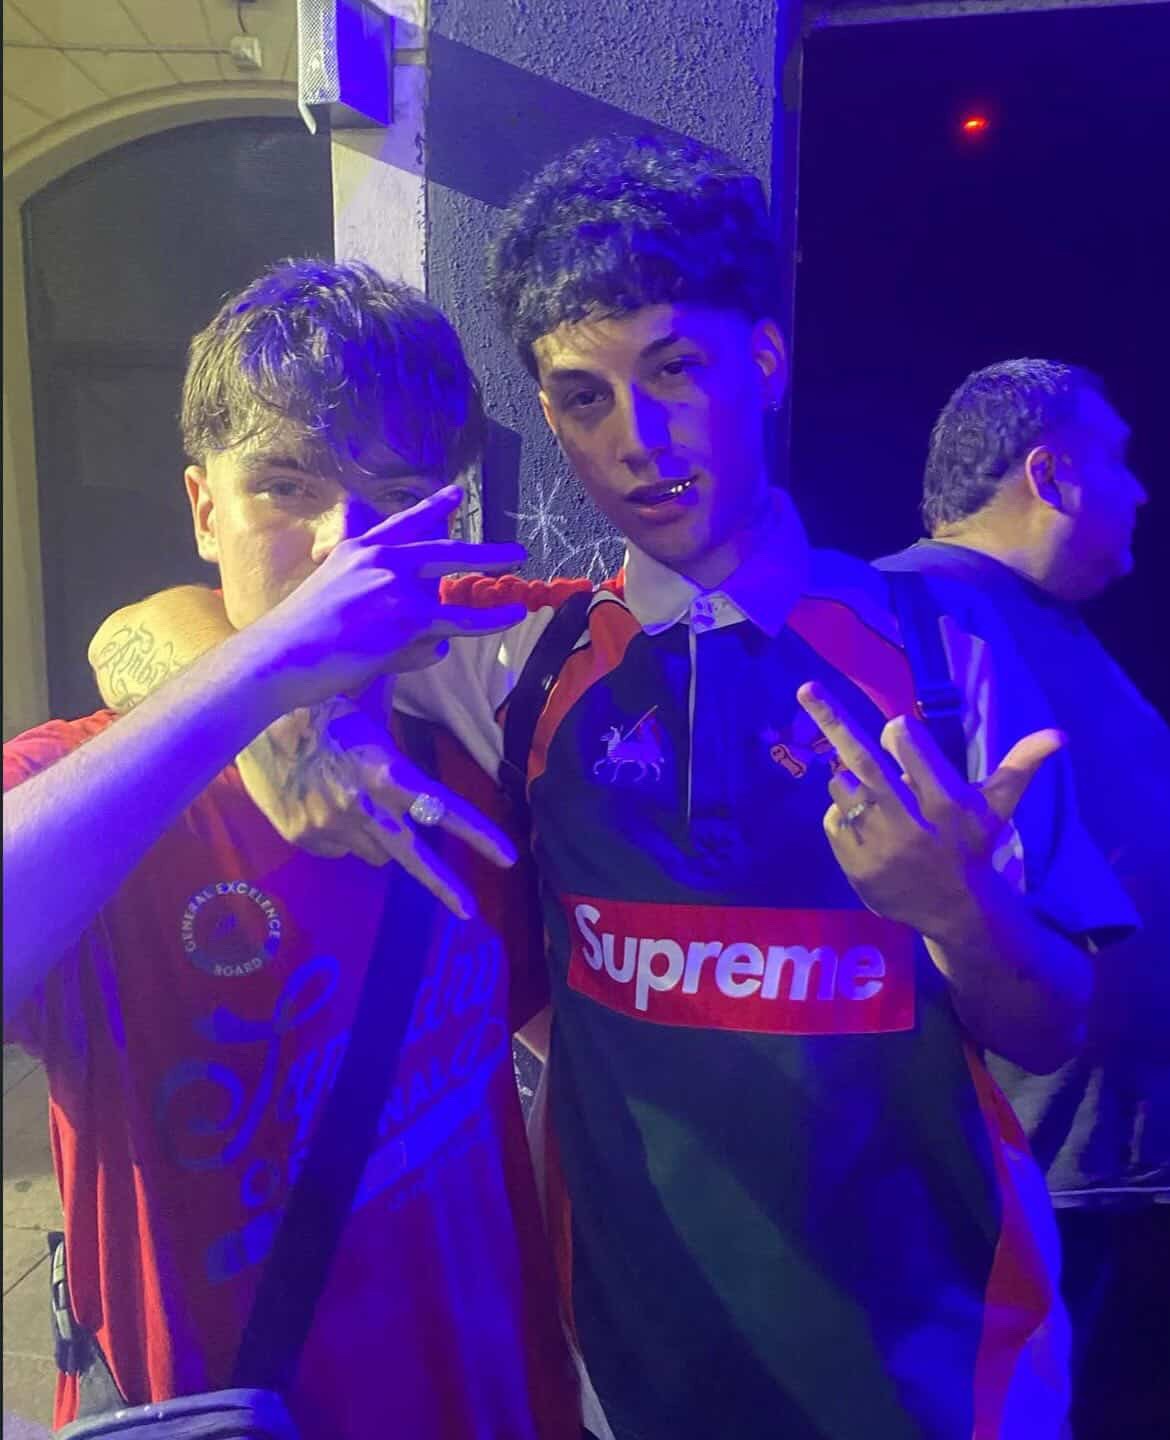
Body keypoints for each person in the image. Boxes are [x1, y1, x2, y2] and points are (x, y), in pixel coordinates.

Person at [90, 141, 1136, 1439]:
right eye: (583, 398)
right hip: (626, 1387)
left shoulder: (940, 652)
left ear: (764, 360)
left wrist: (963, 914)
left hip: (944, 1384)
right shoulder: (522, 658)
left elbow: (1052, 1031)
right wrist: (268, 721)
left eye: (677, 370)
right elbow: (159, 622)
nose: (638, 441)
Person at [3, 259, 582, 1438]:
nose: (340, 551)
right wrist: (260, 688)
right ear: (202, 508)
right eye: (284, 486)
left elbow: (549, 1035)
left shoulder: (476, 759)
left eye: (394, 499)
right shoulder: (100, 790)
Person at [879, 358, 1169, 1439]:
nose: (1141, 489)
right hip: (1026, 1195)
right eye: (1119, 460)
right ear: (1049, 474)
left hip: (1112, 1171)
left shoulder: (1045, 622)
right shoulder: (908, 607)